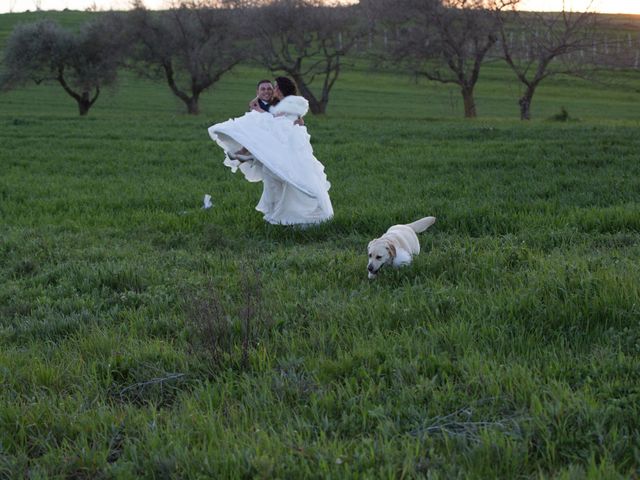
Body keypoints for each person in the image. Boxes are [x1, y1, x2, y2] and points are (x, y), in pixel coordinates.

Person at [208, 77, 333, 226]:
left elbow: (280, 121)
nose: (272, 90)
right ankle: (247, 154)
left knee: (292, 178)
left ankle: (246, 153)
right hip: (285, 144)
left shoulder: (291, 103)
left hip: (290, 147)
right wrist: (258, 101)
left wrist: (260, 111)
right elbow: (274, 117)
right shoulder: (281, 103)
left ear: (280, 89)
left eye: (274, 87)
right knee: (273, 178)